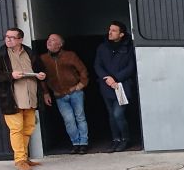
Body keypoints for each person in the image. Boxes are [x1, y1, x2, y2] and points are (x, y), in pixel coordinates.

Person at [0, 27, 49, 170]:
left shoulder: (30, 53)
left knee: (28, 128)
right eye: (6, 36)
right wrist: (10, 76)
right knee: (16, 129)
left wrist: (42, 75)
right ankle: (20, 159)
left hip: (30, 97)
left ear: (20, 39)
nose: (8, 39)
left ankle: (25, 158)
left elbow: (42, 69)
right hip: (11, 99)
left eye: (12, 37)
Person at [39, 34, 89, 154]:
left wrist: (81, 84)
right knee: (69, 120)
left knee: (80, 117)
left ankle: (83, 143)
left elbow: (83, 70)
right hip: (59, 95)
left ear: (60, 44)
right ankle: (75, 143)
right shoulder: (43, 58)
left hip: (75, 92)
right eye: (48, 39)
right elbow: (41, 78)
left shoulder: (70, 55)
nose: (49, 41)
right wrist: (46, 93)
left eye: (53, 40)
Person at [94, 21, 138, 152]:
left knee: (118, 114)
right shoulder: (102, 47)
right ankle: (116, 139)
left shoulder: (129, 48)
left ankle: (126, 139)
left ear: (121, 34)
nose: (110, 32)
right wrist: (107, 78)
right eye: (109, 29)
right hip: (106, 86)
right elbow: (97, 65)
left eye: (113, 30)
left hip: (122, 86)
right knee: (111, 115)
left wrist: (116, 78)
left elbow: (131, 67)